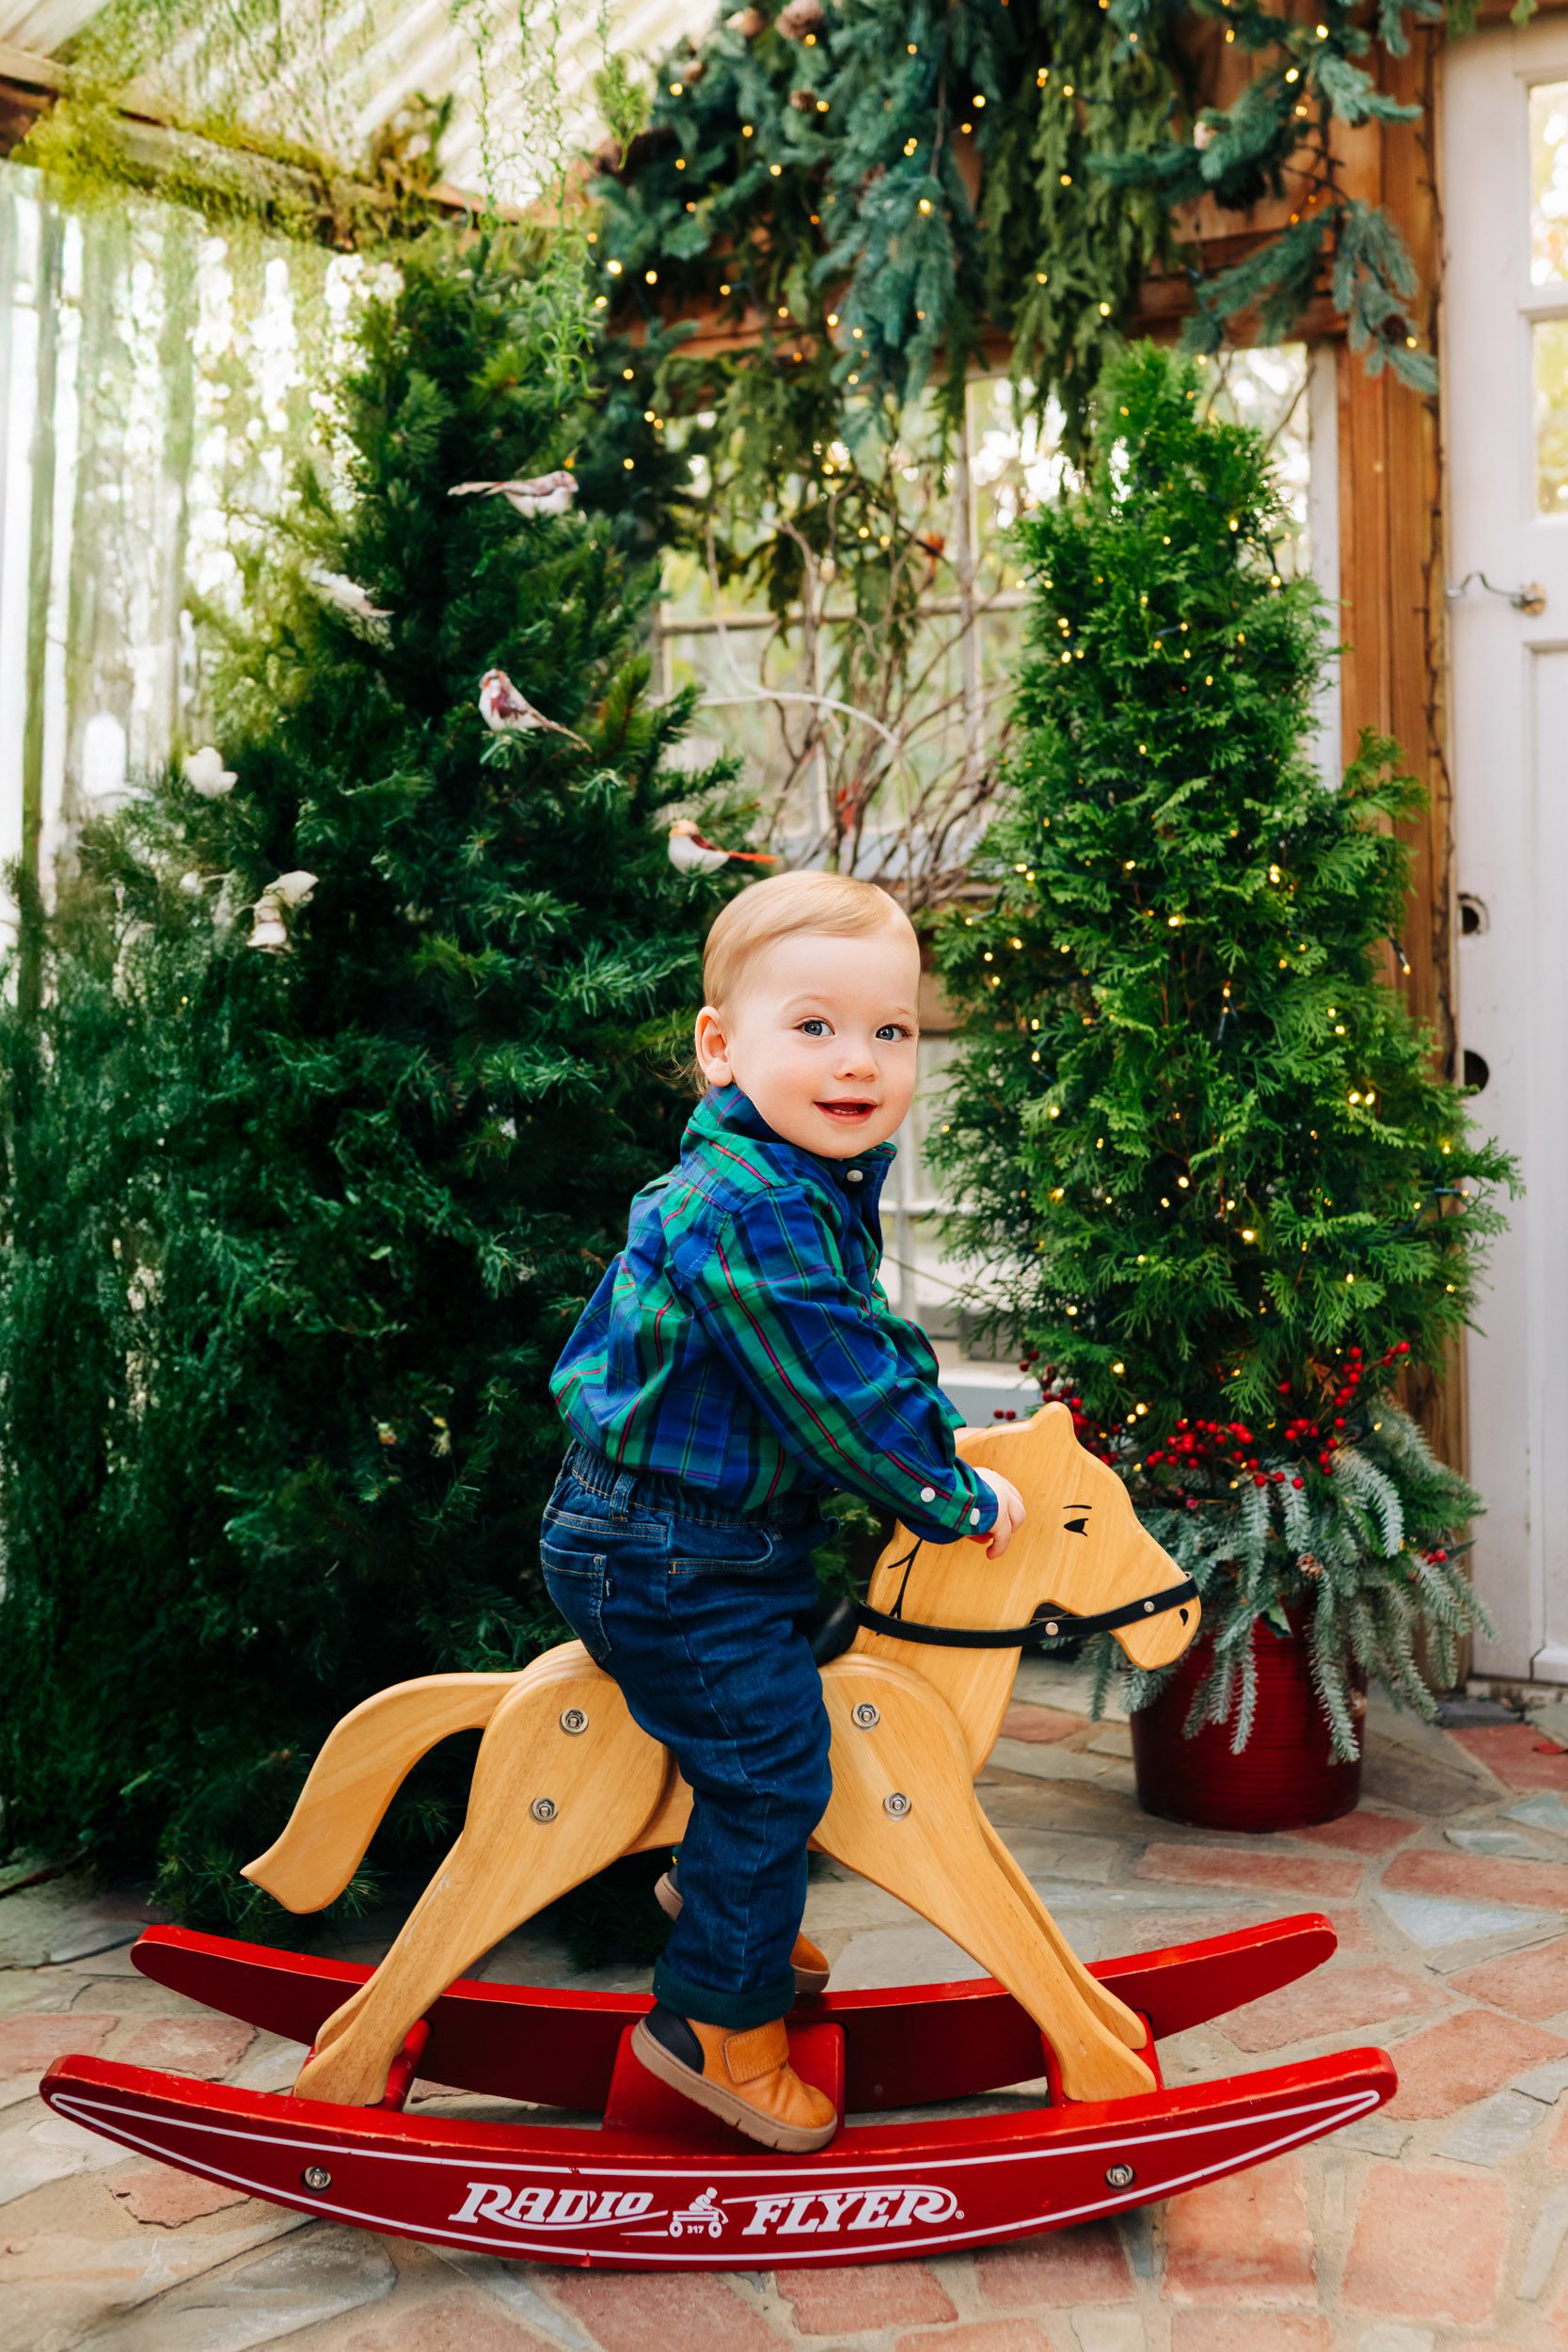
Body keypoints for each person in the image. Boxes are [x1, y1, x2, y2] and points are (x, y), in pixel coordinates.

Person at [543, 869, 1027, 2152]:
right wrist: (948, 1493)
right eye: (813, 1027)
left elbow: (868, 1348)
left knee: (805, 1689)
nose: (858, 1061)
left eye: (891, 1031)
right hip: (663, 1552)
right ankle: (717, 2019)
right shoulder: (753, 1208)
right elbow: (836, 1391)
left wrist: (942, 1438)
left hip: (723, 1544)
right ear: (720, 1047)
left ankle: (717, 1896)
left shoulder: (804, 1183)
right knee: (773, 1771)